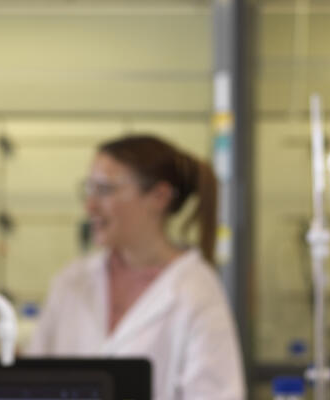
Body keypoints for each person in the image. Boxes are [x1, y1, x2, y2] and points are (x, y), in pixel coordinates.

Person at [26, 134, 246, 400]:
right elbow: (30, 384)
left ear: (159, 197)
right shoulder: (71, 281)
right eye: (89, 189)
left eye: (105, 190)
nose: (90, 206)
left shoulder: (196, 292)